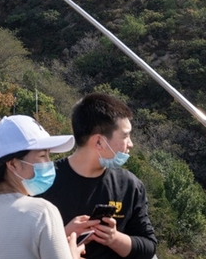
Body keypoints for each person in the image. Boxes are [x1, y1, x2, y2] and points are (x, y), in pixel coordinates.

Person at [40, 93, 157, 259]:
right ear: (99, 142)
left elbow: (148, 247)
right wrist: (63, 235)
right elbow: (22, 244)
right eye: (125, 136)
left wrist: (113, 238)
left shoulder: (130, 186)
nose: (130, 144)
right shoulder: (43, 180)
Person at [0, 115, 82, 259]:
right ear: (13, 164)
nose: (50, 164)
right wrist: (72, 255)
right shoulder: (42, 212)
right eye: (43, 156)